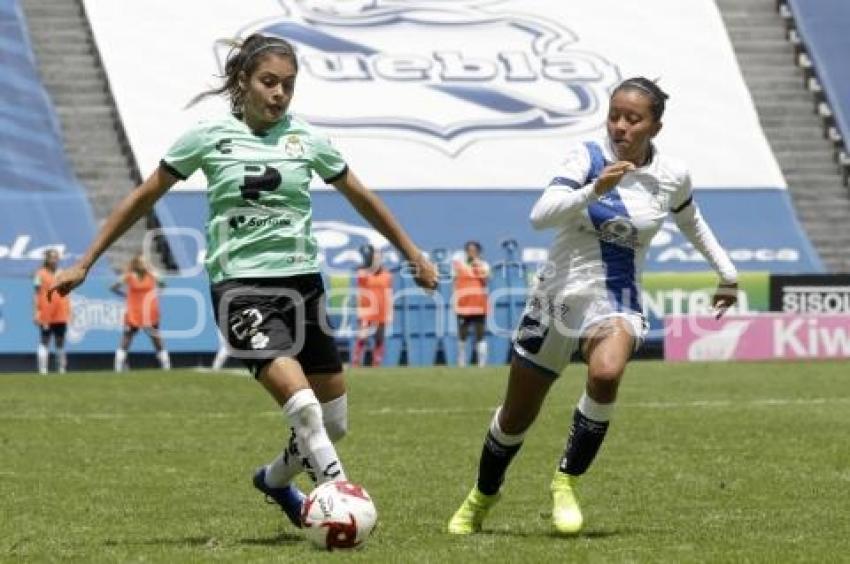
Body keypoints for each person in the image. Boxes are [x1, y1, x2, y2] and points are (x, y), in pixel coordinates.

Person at [49, 33, 437, 529]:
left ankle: (275, 480)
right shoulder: (207, 137)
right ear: (242, 82)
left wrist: (411, 252)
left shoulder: (307, 139)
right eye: (269, 82)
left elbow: (362, 197)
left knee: (334, 420)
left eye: (288, 86)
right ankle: (340, 500)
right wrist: (86, 261)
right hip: (242, 289)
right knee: (304, 408)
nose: (279, 94)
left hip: (304, 286)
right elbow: (144, 196)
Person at [447, 77, 739, 536]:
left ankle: (565, 481)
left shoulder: (671, 175)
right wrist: (593, 190)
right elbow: (540, 216)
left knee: (605, 373)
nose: (620, 126)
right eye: (614, 115)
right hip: (556, 298)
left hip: (616, 297)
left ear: (655, 128)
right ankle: (483, 494)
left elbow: (691, 220)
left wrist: (728, 274)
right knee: (516, 416)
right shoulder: (586, 157)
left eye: (633, 119)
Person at [110, 253, 171, 372]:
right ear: (136, 264)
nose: (144, 264)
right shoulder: (129, 276)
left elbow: (163, 283)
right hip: (134, 312)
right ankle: (118, 366)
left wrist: (156, 293)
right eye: (141, 262)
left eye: (145, 262)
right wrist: (125, 295)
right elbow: (113, 287)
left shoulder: (151, 275)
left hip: (150, 313)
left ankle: (166, 365)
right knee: (126, 338)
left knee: (156, 339)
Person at [351, 245, 393, 367]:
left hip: (382, 309)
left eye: (379, 257)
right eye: (375, 257)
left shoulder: (387, 275)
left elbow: (389, 294)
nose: (377, 260)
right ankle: (356, 361)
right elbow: (365, 276)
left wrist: (390, 313)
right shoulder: (363, 273)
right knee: (362, 336)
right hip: (366, 309)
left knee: (379, 337)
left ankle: (376, 363)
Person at [33, 248, 71, 374]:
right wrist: (36, 311)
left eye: (57, 257)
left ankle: (61, 368)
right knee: (45, 340)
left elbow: (67, 292)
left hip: (61, 311)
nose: (55, 259)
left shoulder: (62, 273)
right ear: (47, 259)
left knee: (60, 341)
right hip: (46, 312)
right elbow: (36, 294)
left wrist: (69, 310)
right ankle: (43, 369)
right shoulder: (40, 274)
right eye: (52, 257)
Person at [453, 241, 490, 367]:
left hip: (479, 306)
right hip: (463, 306)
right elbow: (454, 283)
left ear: (478, 252)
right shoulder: (459, 266)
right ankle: (461, 362)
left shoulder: (484, 265)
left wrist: (477, 264)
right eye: (469, 250)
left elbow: (485, 279)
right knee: (462, 335)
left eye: (474, 250)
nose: (471, 253)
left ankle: (482, 363)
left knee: (480, 335)